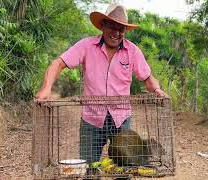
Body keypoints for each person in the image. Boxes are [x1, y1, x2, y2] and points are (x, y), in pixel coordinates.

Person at [35, 3, 167, 177]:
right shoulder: (86, 46)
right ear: (103, 25)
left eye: (121, 29)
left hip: (121, 120)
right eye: (112, 26)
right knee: (89, 170)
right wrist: (46, 88)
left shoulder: (133, 51)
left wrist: (157, 89)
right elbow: (58, 64)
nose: (116, 32)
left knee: (124, 170)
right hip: (92, 119)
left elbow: (148, 79)